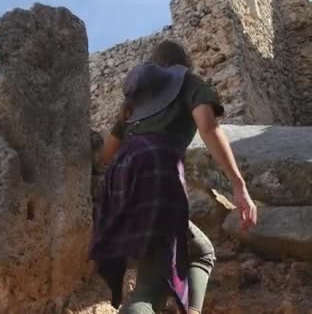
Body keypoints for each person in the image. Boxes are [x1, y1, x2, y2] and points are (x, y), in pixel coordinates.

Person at [89, 40, 257, 314]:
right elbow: (208, 125)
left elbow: (108, 152)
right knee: (149, 288)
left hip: (120, 177)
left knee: (200, 250)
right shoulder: (187, 80)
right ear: (183, 64)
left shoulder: (135, 99)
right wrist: (239, 185)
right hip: (158, 172)